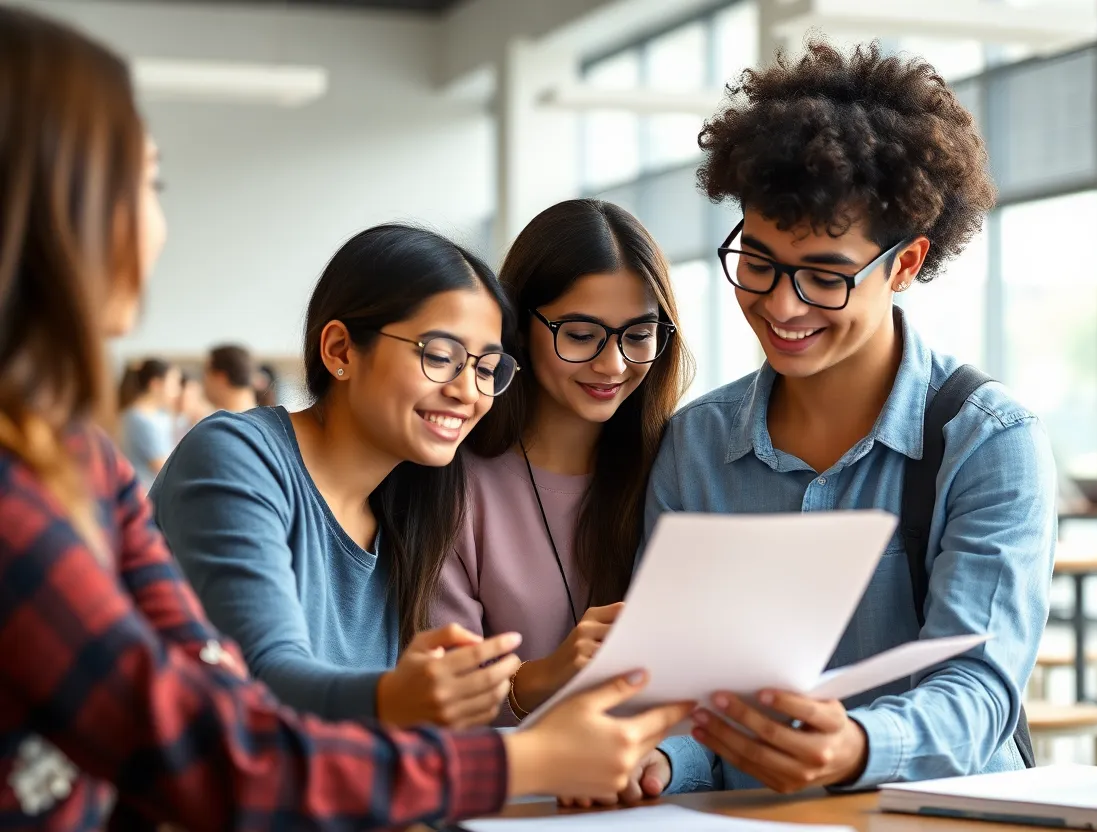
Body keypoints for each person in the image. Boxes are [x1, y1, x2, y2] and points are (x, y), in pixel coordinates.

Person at [0, 7, 690, 828]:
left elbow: (213, 690)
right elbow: (229, 734)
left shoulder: (92, 466)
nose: (469, 390)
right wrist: (519, 753)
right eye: (146, 183)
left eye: (483, 366)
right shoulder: (212, 461)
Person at [592, 38, 1058, 802]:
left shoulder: (988, 441)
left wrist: (856, 747)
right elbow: (687, 694)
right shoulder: (696, 444)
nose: (781, 306)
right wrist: (661, 759)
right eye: (760, 262)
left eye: (825, 277)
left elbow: (981, 692)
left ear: (904, 265)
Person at [153, 224, 552, 727]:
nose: (468, 392)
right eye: (440, 356)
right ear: (340, 350)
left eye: (486, 367)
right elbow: (261, 679)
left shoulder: (411, 509)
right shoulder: (235, 456)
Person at [434, 199, 693, 724]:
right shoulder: (452, 483)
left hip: (665, 788)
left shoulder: (683, 465)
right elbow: (440, 708)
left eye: (639, 335)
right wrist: (547, 673)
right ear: (519, 328)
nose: (613, 363)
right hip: (510, 795)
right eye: (580, 335)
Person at [118, 358, 181, 489]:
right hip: (144, 495)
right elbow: (162, 466)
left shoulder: (161, 416)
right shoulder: (138, 418)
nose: (177, 391)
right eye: (173, 384)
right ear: (155, 384)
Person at [202, 343, 258, 412]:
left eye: (206, 374)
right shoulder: (264, 419)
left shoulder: (218, 422)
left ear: (220, 378)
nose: (203, 381)